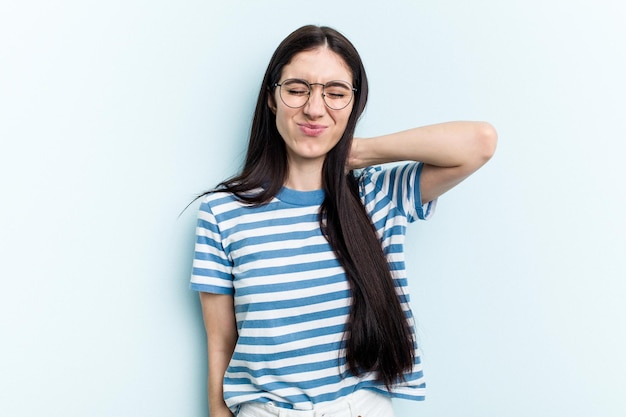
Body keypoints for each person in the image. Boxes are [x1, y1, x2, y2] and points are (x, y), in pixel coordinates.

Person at [190, 25, 497, 417]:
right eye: (297, 89)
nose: (315, 109)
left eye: (335, 94)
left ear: (354, 104)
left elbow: (481, 142)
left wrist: (361, 151)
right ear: (272, 98)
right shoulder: (222, 212)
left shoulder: (377, 195)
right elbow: (220, 345)